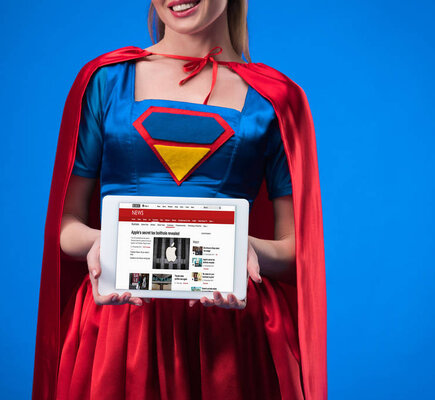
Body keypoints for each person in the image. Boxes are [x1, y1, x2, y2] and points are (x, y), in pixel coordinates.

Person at [32, 1, 327, 399]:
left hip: (230, 336)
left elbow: (298, 252)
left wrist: (241, 247)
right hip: (120, 327)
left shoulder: (275, 99)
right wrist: (105, 244)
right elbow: (66, 227)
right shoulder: (106, 81)